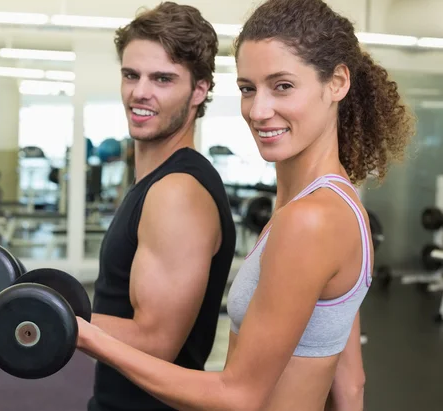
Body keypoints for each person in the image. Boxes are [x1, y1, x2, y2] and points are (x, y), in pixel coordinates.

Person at [76, 0, 416, 410]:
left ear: (337, 83)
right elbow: (352, 384)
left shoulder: (310, 221)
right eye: (247, 89)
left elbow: (238, 395)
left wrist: (78, 330)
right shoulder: (328, 206)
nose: (258, 110)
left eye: (283, 86)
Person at [86, 2, 238, 411]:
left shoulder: (178, 193)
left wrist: (56, 313)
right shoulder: (155, 182)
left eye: (163, 79)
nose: (140, 91)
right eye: (131, 75)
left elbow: (155, 343)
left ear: (199, 91)